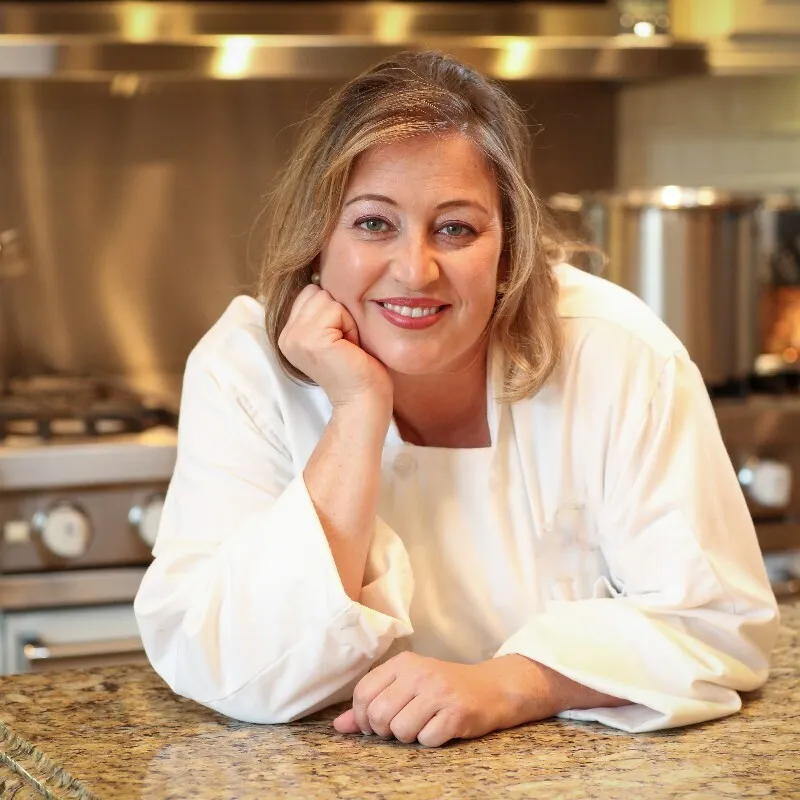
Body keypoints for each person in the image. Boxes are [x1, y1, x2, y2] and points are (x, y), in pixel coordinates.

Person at [133, 51, 778, 748]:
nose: (415, 270)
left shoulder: (616, 354)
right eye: (374, 223)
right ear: (319, 240)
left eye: (456, 228)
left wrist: (513, 683)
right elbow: (227, 666)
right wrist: (357, 411)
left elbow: (718, 624)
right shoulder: (245, 369)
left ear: (509, 252)